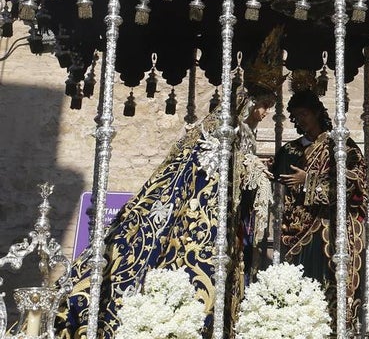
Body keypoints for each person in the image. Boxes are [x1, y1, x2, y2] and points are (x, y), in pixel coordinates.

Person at [56, 27, 284, 339]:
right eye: (263, 105)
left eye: (269, 107)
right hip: (200, 216)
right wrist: (251, 168)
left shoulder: (242, 130)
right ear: (247, 102)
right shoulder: (224, 125)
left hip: (225, 220)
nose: (265, 113)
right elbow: (215, 164)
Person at [273, 84, 369, 325]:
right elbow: (280, 181)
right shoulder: (289, 151)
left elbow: (353, 183)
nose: (300, 120)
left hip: (332, 226)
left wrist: (310, 181)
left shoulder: (341, 146)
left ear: (316, 112)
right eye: (296, 116)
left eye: (304, 114)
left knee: (331, 284)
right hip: (299, 231)